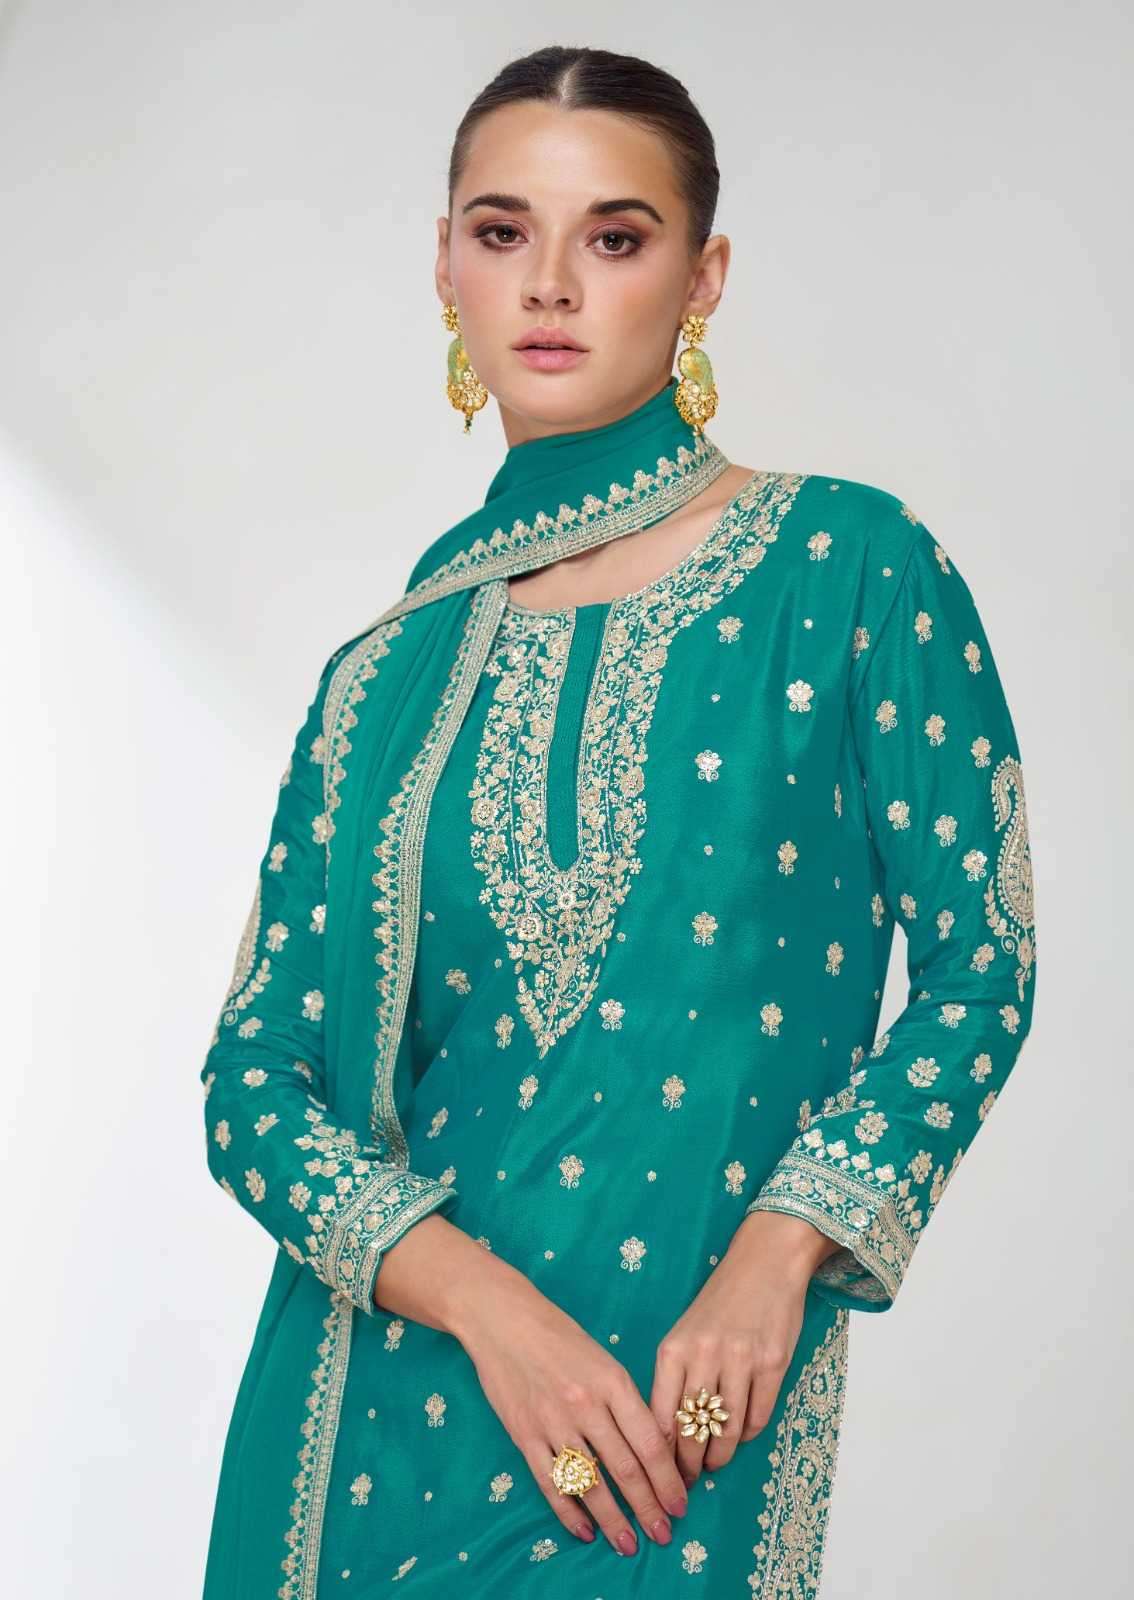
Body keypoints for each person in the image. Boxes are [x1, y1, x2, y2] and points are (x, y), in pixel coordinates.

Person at [198, 44, 1037, 1599]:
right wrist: (493, 1315)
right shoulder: (378, 676)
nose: (550, 285)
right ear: (443, 265)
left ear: (702, 277)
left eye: (616, 236)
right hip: (371, 1430)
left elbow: (983, 968)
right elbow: (253, 1085)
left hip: (671, 1424)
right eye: (501, 231)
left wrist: (780, 1250)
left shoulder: (847, 568)